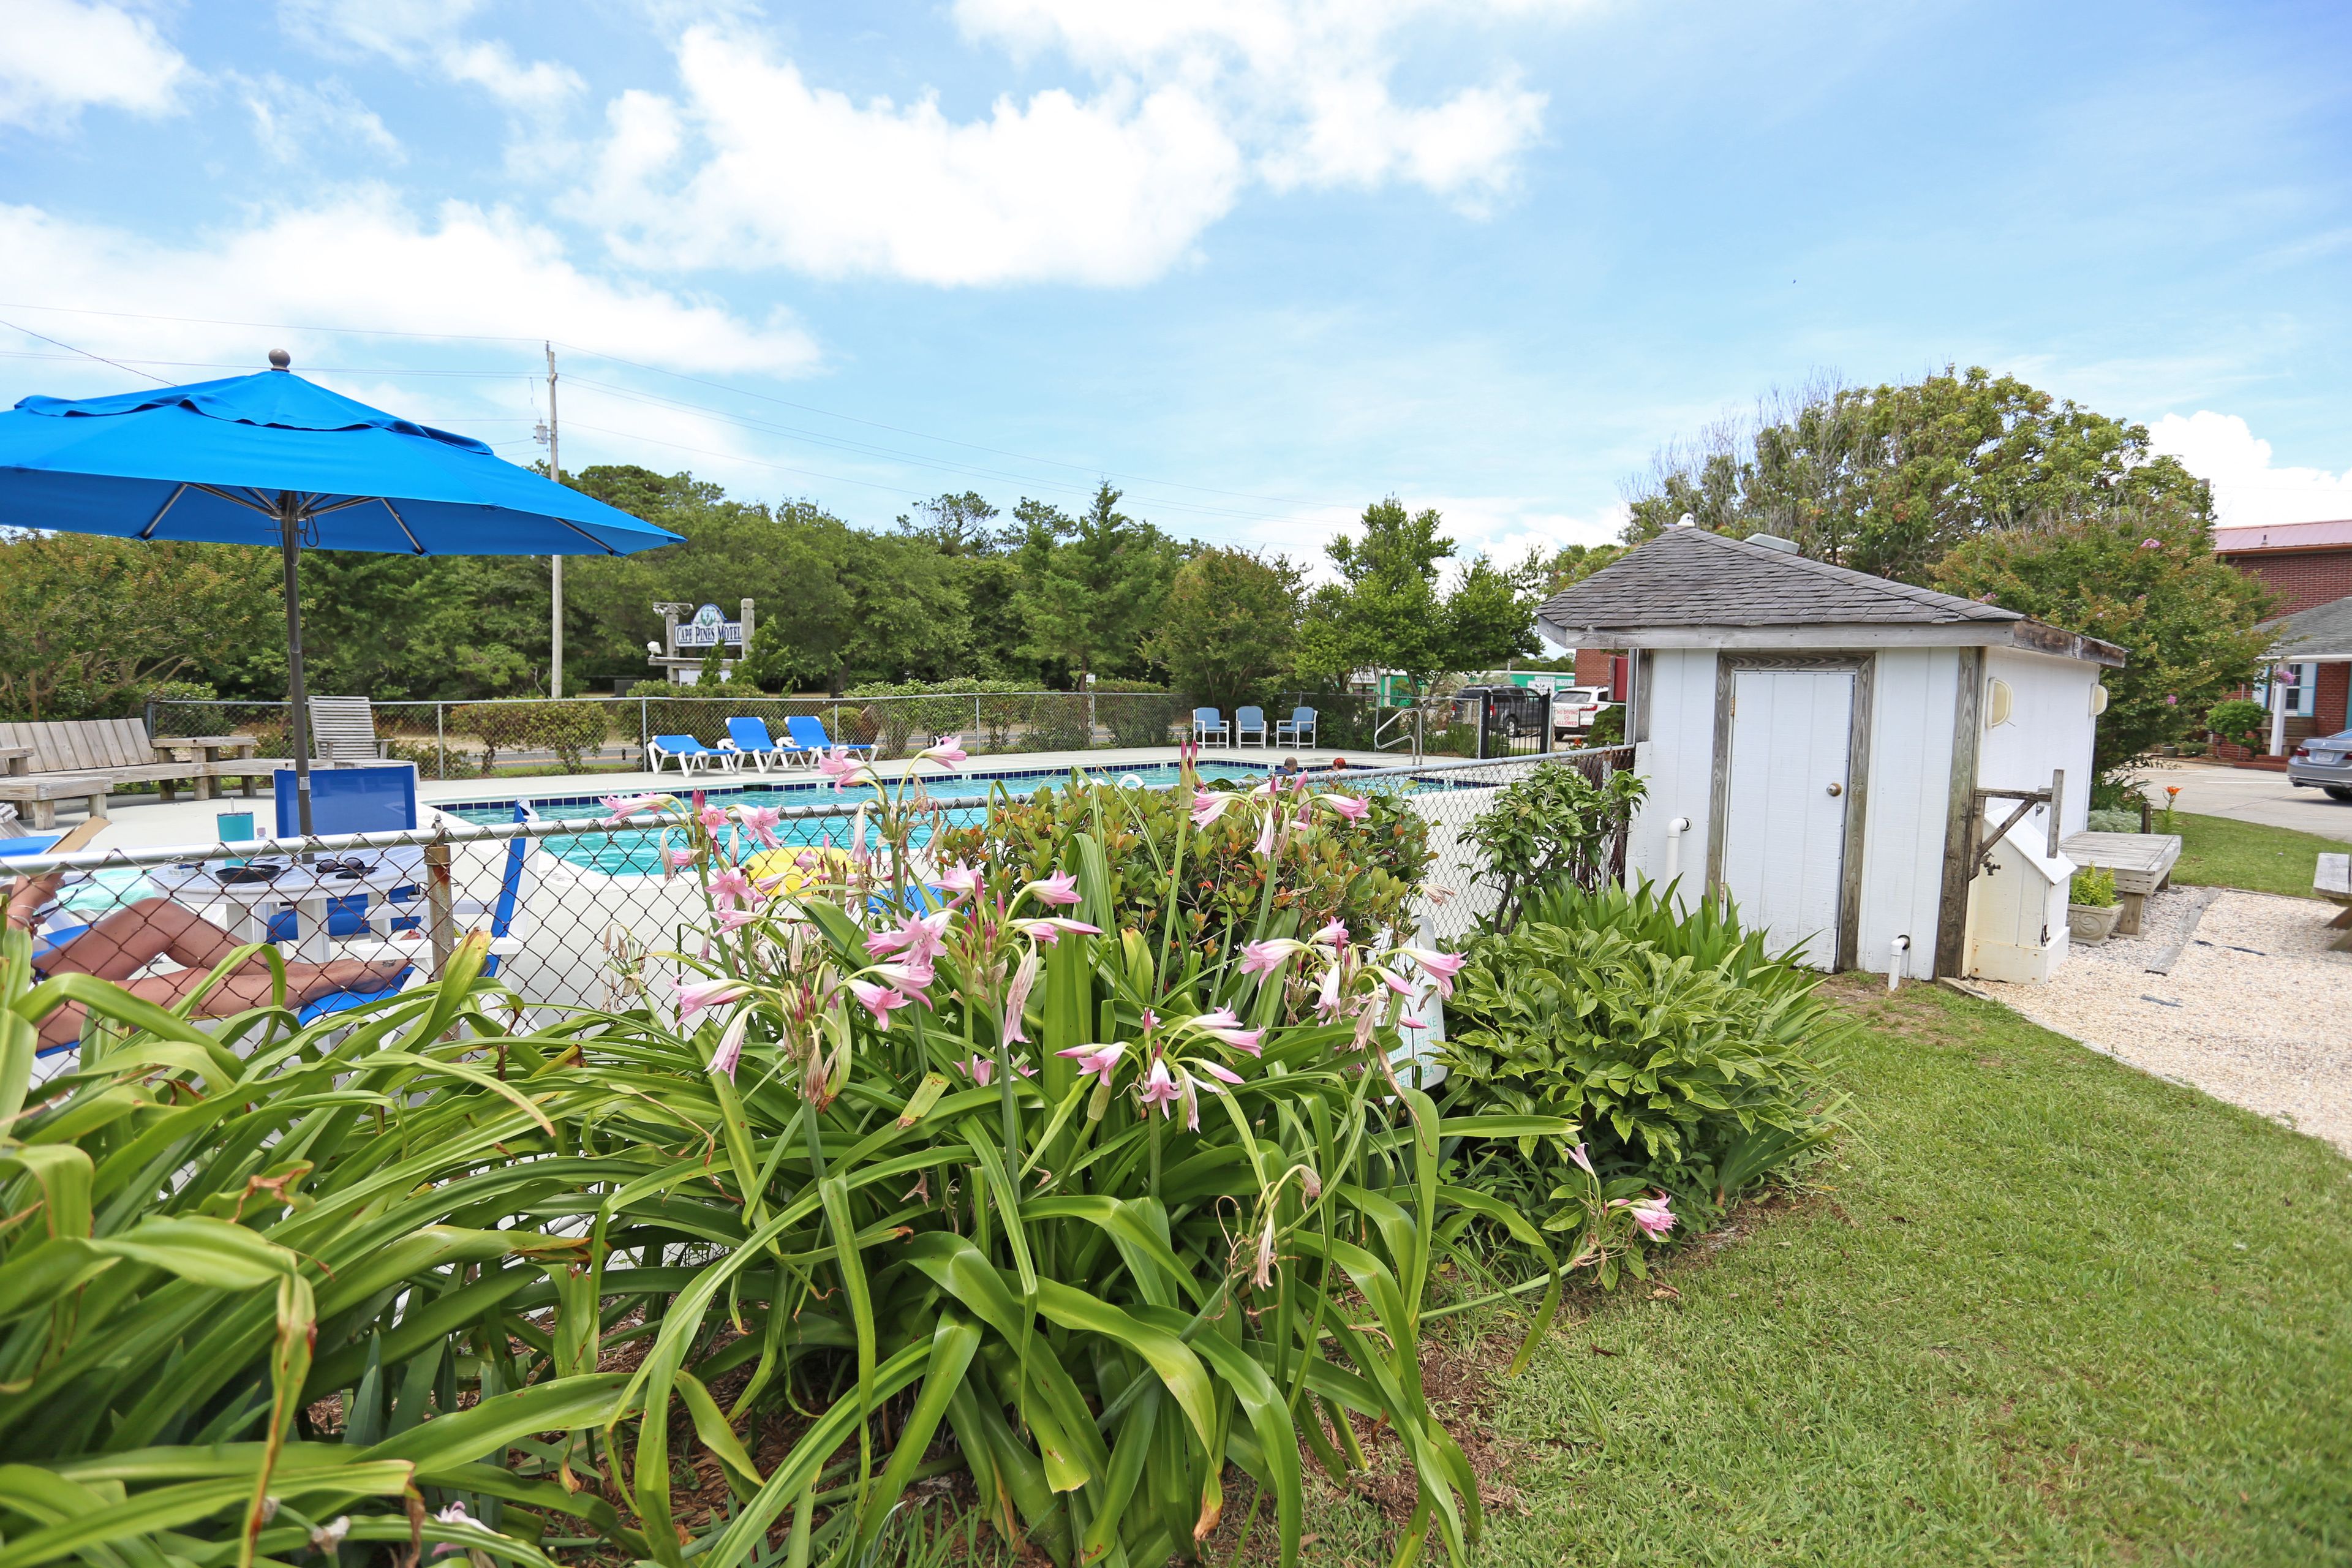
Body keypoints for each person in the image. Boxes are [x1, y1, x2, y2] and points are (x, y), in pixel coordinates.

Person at [7, 872, 409, 1053]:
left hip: (17, 970)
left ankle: (313, 974)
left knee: (157, 913)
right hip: (15, 1016)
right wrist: (24, 905)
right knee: (193, 985)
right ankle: (341, 975)